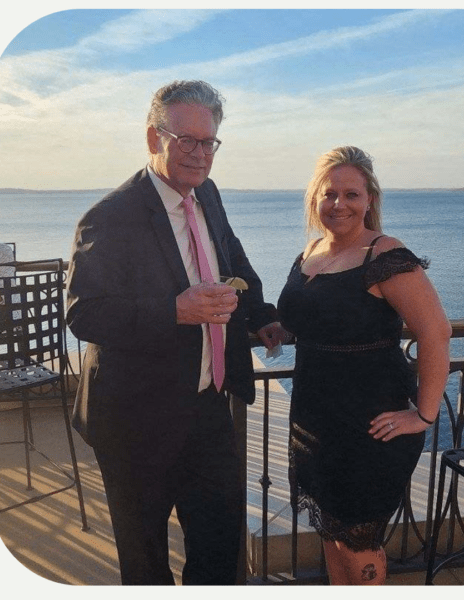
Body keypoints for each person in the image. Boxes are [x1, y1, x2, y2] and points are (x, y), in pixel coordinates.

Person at [67, 80, 287, 585]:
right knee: (145, 562)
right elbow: (84, 315)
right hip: (135, 419)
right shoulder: (108, 217)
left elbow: (233, 259)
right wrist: (174, 311)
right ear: (153, 138)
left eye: (207, 141)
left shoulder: (206, 194)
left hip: (208, 408)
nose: (198, 152)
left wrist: (261, 315)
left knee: (217, 547)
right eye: (184, 139)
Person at [277, 146, 451, 585]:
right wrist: (263, 324)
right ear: (314, 198)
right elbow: (310, 321)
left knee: (359, 544)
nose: (339, 204)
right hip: (315, 424)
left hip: (368, 428)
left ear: (369, 199)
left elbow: (436, 332)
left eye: (351, 194)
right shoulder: (311, 252)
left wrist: (424, 415)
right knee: (333, 535)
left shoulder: (384, 255)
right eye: (329, 193)